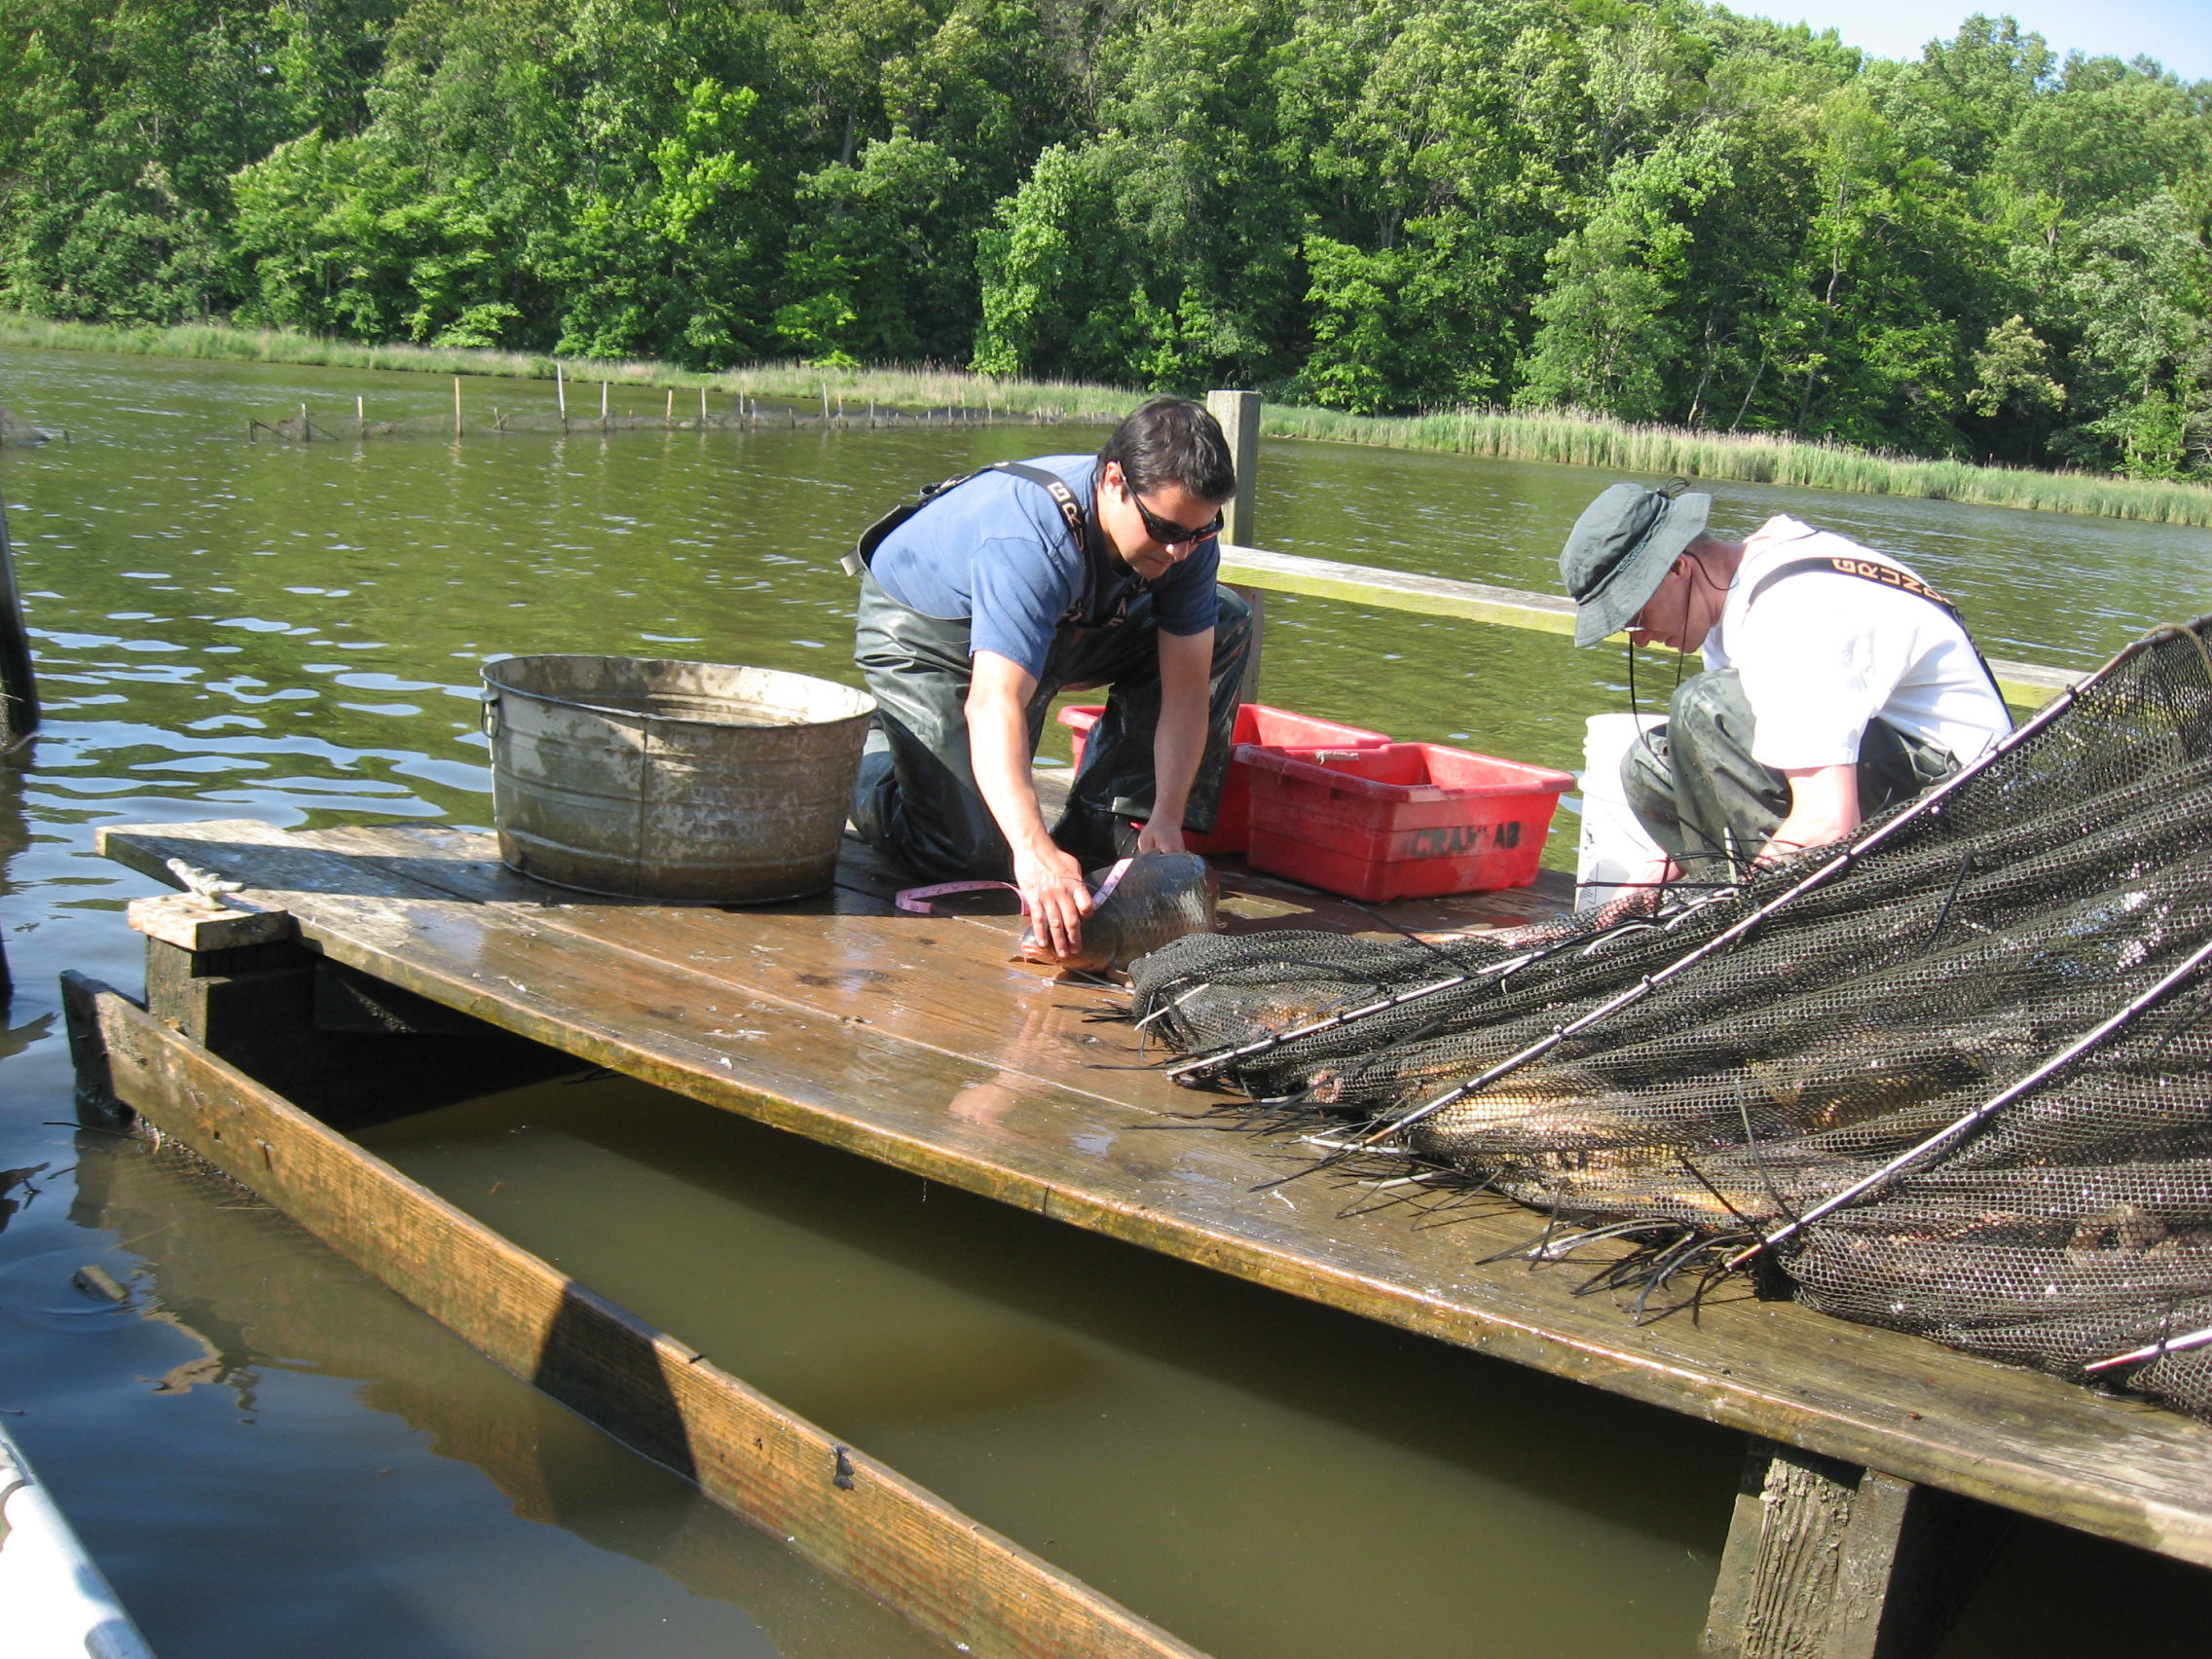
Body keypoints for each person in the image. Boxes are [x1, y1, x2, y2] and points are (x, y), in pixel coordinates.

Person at [849, 395, 1253, 958]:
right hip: (926, 632)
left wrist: (1164, 815)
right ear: (1114, 481)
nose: (1179, 550)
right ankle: (868, 755)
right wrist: (1032, 847)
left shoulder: (1185, 541)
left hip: (1055, 626)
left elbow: (1186, 692)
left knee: (1226, 617)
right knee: (971, 850)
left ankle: (1103, 821)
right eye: (1164, 528)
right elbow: (995, 702)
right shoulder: (1031, 540)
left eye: (1201, 532)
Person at [1559, 480, 2011, 896]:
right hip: (1892, 772)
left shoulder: (1791, 613)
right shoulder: (1737, 589)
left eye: (1634, 615)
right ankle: (1734, 892)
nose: (1638, 637)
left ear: (1678, 568)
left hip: (1961, 805)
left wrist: (1739, 908)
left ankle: (1790, 921)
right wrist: (1652, 877)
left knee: (1704, 707)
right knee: (1650, 764)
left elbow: (1830, 819)